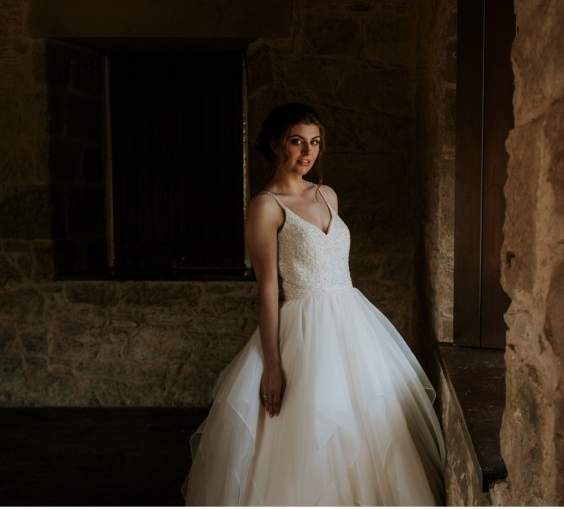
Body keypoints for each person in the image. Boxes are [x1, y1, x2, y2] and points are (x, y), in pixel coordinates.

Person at [183, 103, 445, 505]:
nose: (308, 152)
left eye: (315, 143)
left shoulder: (327, 195)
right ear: (276, 145)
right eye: (297, 142)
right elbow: (268, 289)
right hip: (304, 330)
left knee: (368, 429)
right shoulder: (265, 207)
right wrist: (272, 366)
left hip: (353, 323)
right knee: (311, 434)